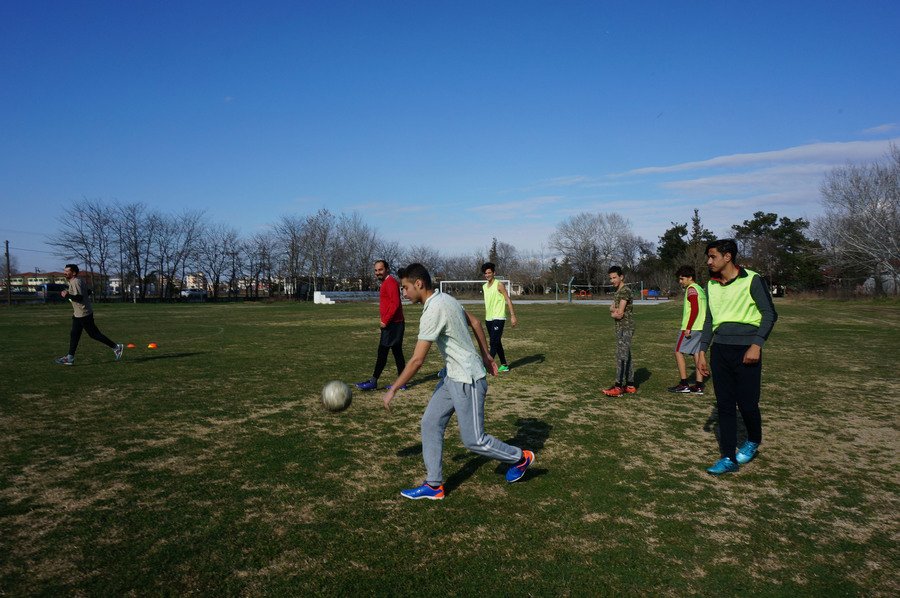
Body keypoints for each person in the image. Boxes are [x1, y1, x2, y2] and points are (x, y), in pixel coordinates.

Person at [383, 263, 534, 500]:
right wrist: (485, 355)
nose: (403, 293)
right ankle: (434, 485)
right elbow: (474, 322)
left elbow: (417, 360)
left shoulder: (434, 310)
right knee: (430, 423)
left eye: (405, 287)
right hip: (451, 376)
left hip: (468, 379)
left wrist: (393, 388)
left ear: (419, 284)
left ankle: (520, 457)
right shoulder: (445, 298)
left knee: (474, 440)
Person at [697, 239, 777, 475]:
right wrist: (702, 350)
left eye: (712, 257)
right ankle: (729, 458)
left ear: (727, 256)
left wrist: (756, 345)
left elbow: (769, 314)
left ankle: (753, 440)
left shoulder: (752, 279)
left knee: (748, 404)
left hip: (746, 350)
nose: (709, 261)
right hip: (720, 350)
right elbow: (710, 320)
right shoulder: (710, 285)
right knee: (724, 405)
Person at [55, 264, 124, 366]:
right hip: (78, 314)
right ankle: (70, 357)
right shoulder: (77, 280)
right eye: (64, 271)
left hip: (84, 314)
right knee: (74, 335)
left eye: (67, 271)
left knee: (94, 334)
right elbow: (88, 291)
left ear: (73, 273)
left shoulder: (76, 281)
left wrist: (67, 295)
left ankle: (116, 347)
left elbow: (79, 298)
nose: (64, 273)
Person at [356, 260, 407, 391]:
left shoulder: (390, 283)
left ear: (387, 269)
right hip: (395, 324)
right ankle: (402, 383)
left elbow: (395, 304)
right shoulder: (387, 282)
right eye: (376, 270)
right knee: (397, 353)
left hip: (393, 325)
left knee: (382, 352)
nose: (378, 272)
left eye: (380, 270)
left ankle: (373, 381)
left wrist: (385, 320)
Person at [668, 265, 707, 394]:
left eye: (682, 279)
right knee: (697, 353)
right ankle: (699, 385)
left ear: (690, 278)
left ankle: (684, 384)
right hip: (702, 327)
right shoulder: (700, 289)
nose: (680, 282)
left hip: (692, 327)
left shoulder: (691, 289)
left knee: (678, 351)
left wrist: (688, 327)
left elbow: (695, 309)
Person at [602, 266, 637, 396]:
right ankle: (630, 385)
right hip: (620, 327)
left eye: (614, 277)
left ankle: (618, 387)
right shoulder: (618, 291)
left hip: (625, 327)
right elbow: (611, 307)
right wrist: (613, 310)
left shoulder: (624, 291)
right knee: (626, 355)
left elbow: (619, 313)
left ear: (621, 277)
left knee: (621, 356)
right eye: (610, 278)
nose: (612, 280)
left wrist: (613, 313)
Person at [481, 262, 518, 372]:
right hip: (489, 318)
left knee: (493, 342)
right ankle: (504, 365)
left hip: (499, 317)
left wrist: (513, 315)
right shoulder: (484, 287)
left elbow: (508, 299)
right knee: (497, 342)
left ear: (494, 273)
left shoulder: (499, 284)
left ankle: (486, 366)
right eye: (485, 273)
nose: (487, 275)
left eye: (489, 272)